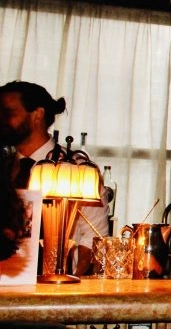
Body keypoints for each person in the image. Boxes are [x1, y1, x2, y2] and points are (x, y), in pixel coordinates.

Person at [1, 80, 110, 274]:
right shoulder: (4, 166)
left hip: (56, 280)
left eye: (8, 113)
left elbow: (94, 236)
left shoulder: (76, 169)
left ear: (37, 115)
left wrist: (72, 282)